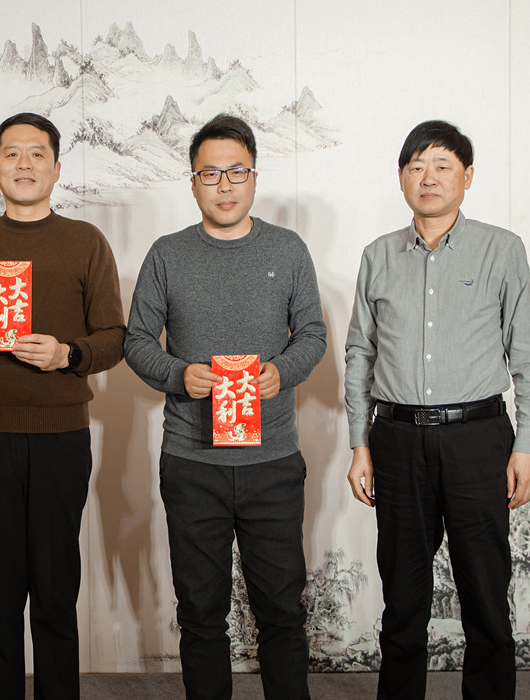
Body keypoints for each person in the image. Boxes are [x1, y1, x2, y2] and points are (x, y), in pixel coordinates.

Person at [344, 120, 530, 700]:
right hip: (396, 440)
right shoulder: (378, 255)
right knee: (403, 599)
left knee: (485, 594)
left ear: (467, 176)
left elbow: (529, 354)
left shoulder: (502, 249)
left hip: (477, 439)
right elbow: (360, 354)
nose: (428, 177)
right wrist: (360, 444)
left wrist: (528, 446)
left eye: (441, 165)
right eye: (416, 166)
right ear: (401, 178)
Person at [125, 114, 327, 699]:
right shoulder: (167, 254)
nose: (224, 184)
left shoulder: (288, 250)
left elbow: (312, 334)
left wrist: (280, 373)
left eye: (236, 171)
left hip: (273, 460)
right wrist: (179, 375)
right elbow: (136, 340)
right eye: (210, 173)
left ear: (254, 177)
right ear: (193, 183)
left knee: (282, 610)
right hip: (192, 462)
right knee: (200, 613)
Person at [0, 112, 125, 700]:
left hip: (61, 436)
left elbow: (113, 338)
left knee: (55, 588)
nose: (24, 164)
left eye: (37, 153)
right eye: (12, 153)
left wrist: (68, 354)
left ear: (56, 168)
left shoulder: (86, 242)